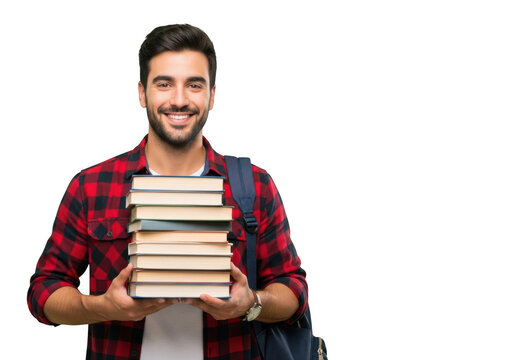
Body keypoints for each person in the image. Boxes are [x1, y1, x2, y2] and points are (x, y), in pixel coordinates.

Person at [27, 24, 308, 360]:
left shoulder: (254, 186)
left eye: (194, 85)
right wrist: (102, 307)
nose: (179, 99)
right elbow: (43, 292)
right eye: (164, 84)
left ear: (212, 96)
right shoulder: (91, 186)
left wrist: (252, 303)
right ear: (142, 93)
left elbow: (293, 290)